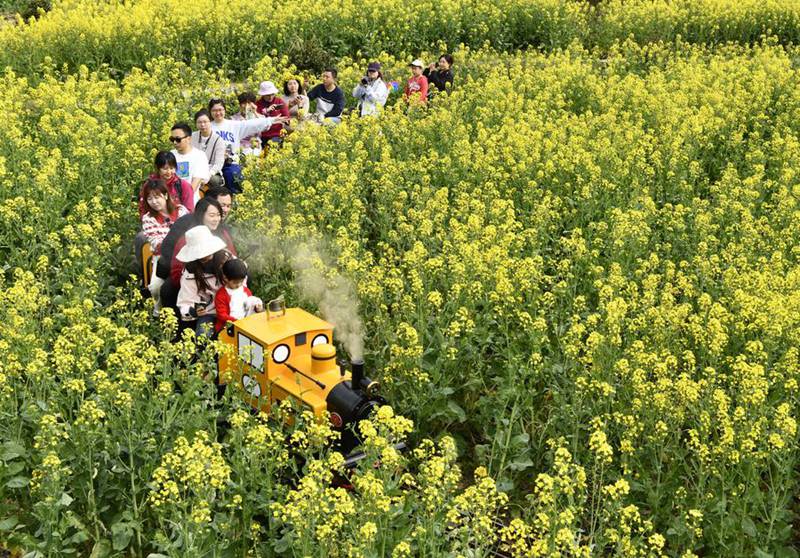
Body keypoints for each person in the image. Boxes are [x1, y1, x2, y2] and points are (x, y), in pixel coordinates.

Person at [153, 187, 235, 313]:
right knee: (167, 289)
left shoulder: (222, 230)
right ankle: (172, 322)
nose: (223, 212)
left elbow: (232, 256)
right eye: (221, 206)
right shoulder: (188, 230)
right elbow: (172, 258)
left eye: (228, 206)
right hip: (190, 275)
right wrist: (195, 276)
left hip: (216, 277)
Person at [208, 98, 288, 192]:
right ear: (210, 112)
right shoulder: (207, 126)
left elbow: (251, 124)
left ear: (225, 110)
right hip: (212, 164)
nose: (218, 113)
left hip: (231, 163)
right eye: (214, 110)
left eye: (220, 110)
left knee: (234, 176)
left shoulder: (233, 125)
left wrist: (271, 120)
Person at [141, 179, 189, 315]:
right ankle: (159, 313)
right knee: (155, 287)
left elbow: (189, 230)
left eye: (157, 197)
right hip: (163, 257)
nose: (154, 202)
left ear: (166, 195)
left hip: (185, 254)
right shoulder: (148, 218)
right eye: (149, 199)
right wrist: (175, 240)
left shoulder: (181, 210)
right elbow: (155, 241)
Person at [175, 225, 229, 338]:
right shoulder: (190, 272)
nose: (207, 255)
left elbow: (241, 283)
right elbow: (185, 302)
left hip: (231, 307)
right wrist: (193, 311)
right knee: (203, 337)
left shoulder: (226, 258)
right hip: (208, 313)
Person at [138, 151, 194, 216]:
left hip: (178, 223)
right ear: (157, 168)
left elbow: (189, 211)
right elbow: (142, 208)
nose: (169, 172)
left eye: (172, 168)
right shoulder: (148, 185)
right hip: (154, 223)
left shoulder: (183, 185)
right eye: (165, 169)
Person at [214, 258, 263, 332]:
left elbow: (250, 304)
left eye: (241, 281)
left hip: (245, 323)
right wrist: (237, 321)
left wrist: (257, 308)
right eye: (235, 282)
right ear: (225, 278)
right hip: (228, 326)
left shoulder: (245, 290)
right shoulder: (221, 295)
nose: (239, 285)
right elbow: (222, 315)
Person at [170, 122, 210, 203]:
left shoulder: (199, 156)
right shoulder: (170, 154)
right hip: (171, 202)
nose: (174, 142)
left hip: (190, 203)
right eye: (172, 139)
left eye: (178, 139)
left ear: (188, 139)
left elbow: (193, 186)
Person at [191, 109, 226, 188]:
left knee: (214, 180)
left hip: (211, 172)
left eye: (205, 122)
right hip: (195, 170)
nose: (202, 125)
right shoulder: (192, 137)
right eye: (199, 122)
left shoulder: (218, 140)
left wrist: (208, 175)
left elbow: (218, 164)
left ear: (210, 122)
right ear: (196, 124)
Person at [255, 81, 289, 147]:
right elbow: (256, 120)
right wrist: (266, 111)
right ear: (263, 95)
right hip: (262, 136)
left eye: (272, 94)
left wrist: (284, 121)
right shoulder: (257, 104)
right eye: (268, 95)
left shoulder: (279, 101)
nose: (270, 97)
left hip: (277, 134)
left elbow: (286, 116)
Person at [230, 92, 262, 157]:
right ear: (240, 104)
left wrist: (255, 112)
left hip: (255, 147)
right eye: (244, 103)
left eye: (249, 103)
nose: (246, 106)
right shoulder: (233, 119)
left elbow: (265, 126)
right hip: (240, 147)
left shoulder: (258, 117)